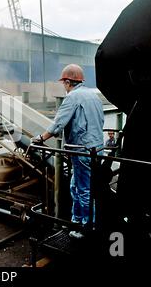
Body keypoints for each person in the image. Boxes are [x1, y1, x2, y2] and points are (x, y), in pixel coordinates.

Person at [32, 64, 104, 239]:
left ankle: (87, 227)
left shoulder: (72, 97)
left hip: (82, 151)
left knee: (84, 189)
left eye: (64, 82)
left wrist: (41, 138)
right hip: (97, 149)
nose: (64, 86)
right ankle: (77, 219)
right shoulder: (93, 96)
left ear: (67, 81)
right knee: (76, 186)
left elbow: (58, 124)